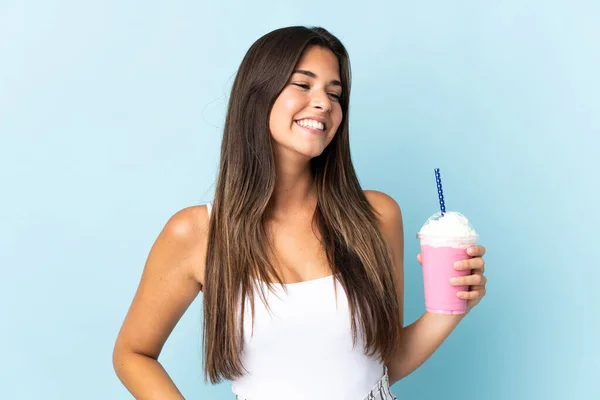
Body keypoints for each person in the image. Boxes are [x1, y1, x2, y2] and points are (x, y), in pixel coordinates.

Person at [112, 26, 487, 400]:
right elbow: (133, 354)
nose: (324, 103)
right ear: (258, 95)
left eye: (335, 93)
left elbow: (383, 361)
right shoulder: (198, 233)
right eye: (303, 85)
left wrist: (450, 310)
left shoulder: (376, 216)